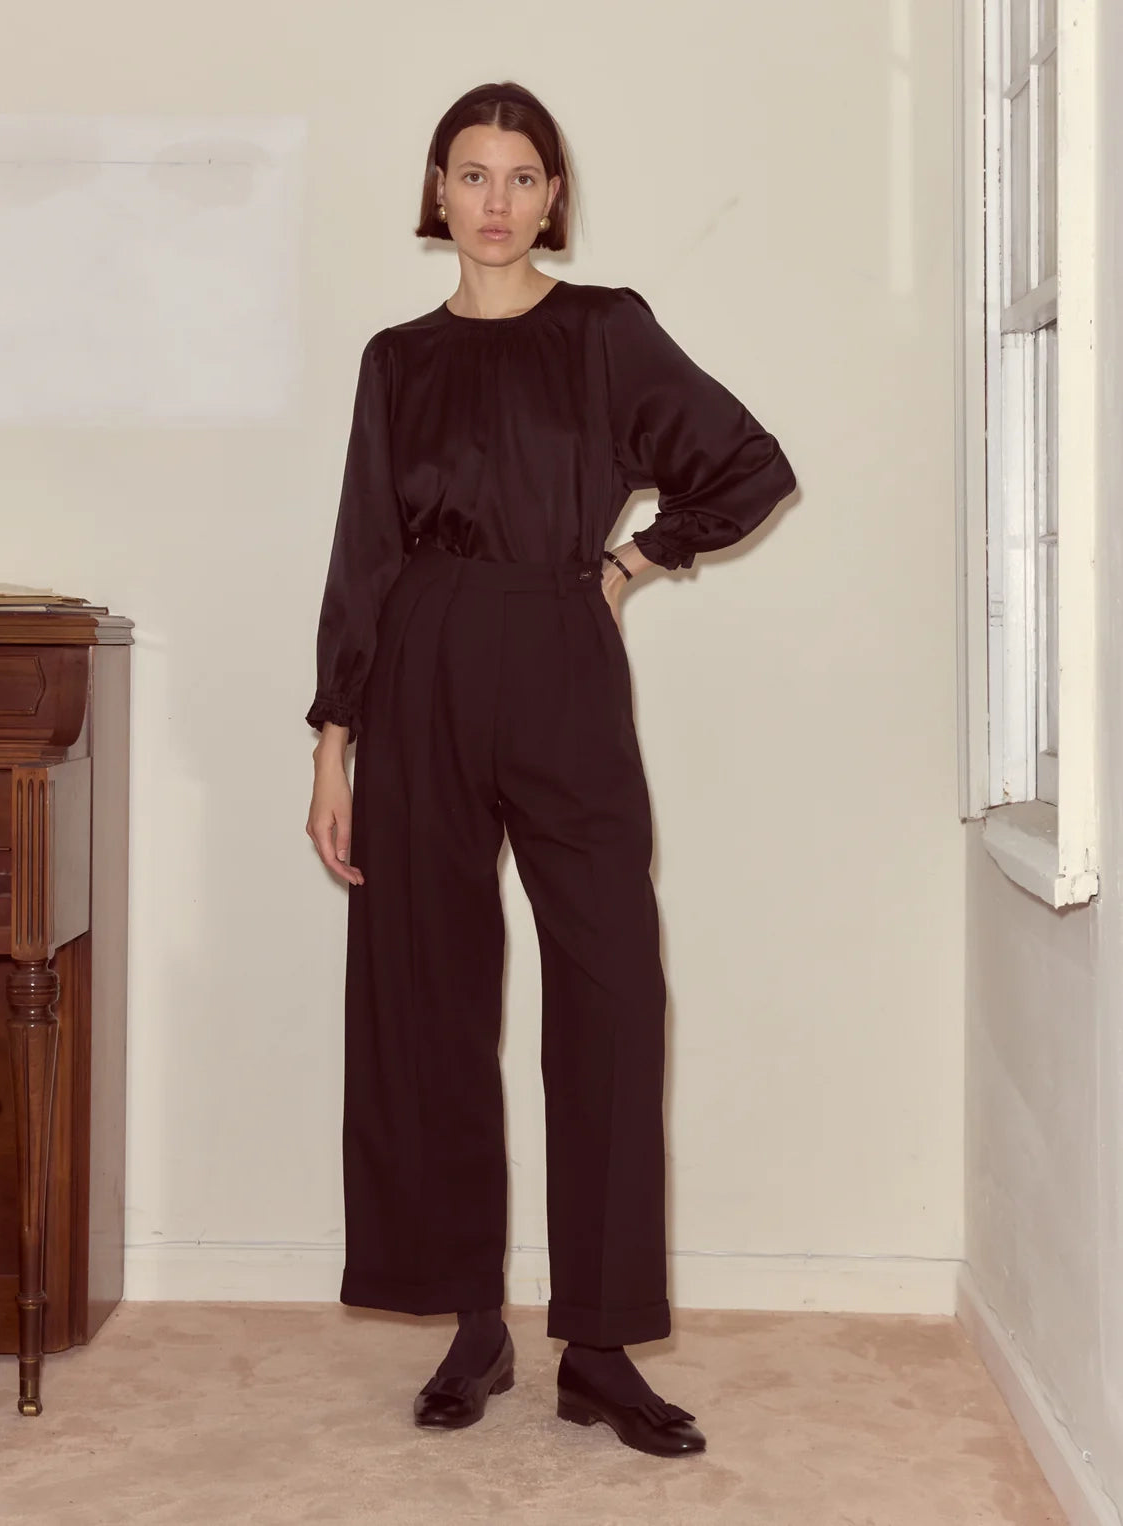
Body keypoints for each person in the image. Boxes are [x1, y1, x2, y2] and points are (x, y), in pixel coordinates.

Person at [305, 80, 796, 1460]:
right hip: (424, 668)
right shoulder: (395, 360)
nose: (500, 201)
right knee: (432, 998)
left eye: (526, 176)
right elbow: (362, 555)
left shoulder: (605, 332)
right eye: (475, 174)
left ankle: (597, 1342)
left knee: (613, 991)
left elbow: (747, 466)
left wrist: (629, 565)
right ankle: (473, 1316)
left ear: (556, 197)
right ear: (438, 190)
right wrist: (336, 739)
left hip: (563, 658)